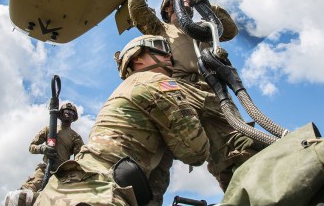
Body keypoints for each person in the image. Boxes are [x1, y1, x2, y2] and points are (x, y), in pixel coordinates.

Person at [127, 0, 264, 193]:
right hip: (179, 90)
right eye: (177, 1)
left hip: (212, 90)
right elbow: (136, 8)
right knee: (161, 153)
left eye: (186, 1)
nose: (185, 4)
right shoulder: (160, 29)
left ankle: (252, 190)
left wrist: (208, 6)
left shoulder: (204, 29)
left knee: (240, 143)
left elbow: (229, 30)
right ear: (168, 9)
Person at [34, 35, 212, 206]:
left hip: (61, 190)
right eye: (159, 49)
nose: (169, 55)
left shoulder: (125, 87)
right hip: (98, 193)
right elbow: (196, 151)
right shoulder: (155, 80)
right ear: (137, 59)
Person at [19, 102, 84, 192]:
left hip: (63, 174)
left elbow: (80, 159)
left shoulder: (75, 137)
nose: (68, 113)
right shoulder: (48, 129)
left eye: (71, 112)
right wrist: (42, 148)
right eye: (66, 110)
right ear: (60, 114)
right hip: (45, 170)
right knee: (25, 192)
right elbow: (31, 147)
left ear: (74, 117)